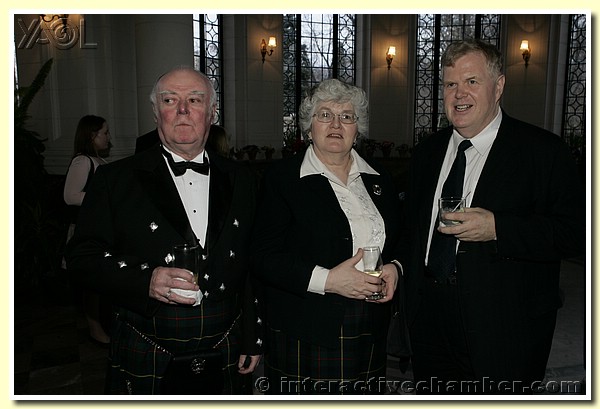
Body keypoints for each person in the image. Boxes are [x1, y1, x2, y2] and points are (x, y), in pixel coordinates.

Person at [404, 39, 585, 395]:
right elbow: (411, 231)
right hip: (429, 321)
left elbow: (575, 233)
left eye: (471, 81)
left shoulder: (543, 152)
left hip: (505, 329)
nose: (459, 94)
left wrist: (498, 228)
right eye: (450, 84)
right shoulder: (426, 152)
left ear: (498, 86)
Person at [66, 66, 262, 394]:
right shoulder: (115, 179)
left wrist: (252, 337)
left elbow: (252, 263)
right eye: (170, 100)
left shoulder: (243, 178)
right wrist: (146, 279)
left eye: (194, 100)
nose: (182, 109)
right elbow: (81, 258)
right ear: (156, 113)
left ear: (212, 112)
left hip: (226, 339)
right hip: (147, 342)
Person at [251, 78, 404, 395]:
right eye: (324, 115)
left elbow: (402, 238)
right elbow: (263, 256)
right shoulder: (283, 178)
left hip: (371, 322)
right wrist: (328, 280)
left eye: (346, 116)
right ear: (308, 128)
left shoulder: (380, 178)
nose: (336, 124)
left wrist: (396, 267)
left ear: (357, 129)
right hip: (307, 326)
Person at [63, 114, 112, 346]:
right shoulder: (83, 161)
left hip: (100, 229)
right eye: (105, 132)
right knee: (91, 282)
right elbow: (70, 196)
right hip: (87, 231)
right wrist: (104, 199)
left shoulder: (98, 160)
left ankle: (102, 324)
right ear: (92, 135)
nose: (108, 137)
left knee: (100, 280)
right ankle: (95, 329)